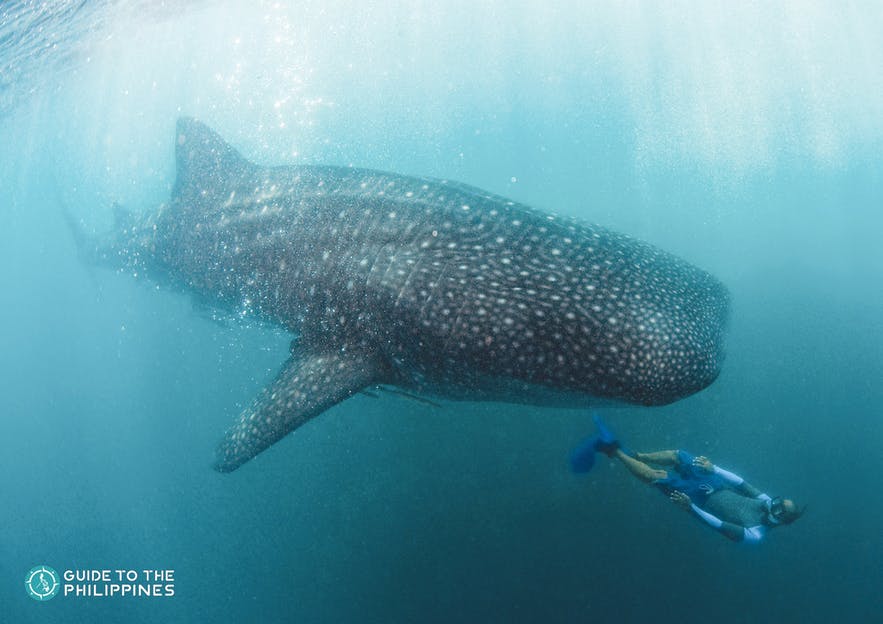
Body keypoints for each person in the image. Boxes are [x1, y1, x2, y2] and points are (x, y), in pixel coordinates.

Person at [571, 416, 803, 543]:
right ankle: (637, 455)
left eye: (779, 509)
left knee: (656, 477)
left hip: (699, 500)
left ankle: (612, 450)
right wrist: (713, 468)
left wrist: (690, 507)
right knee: (678, 456)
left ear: (782, 520)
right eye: (778, 501)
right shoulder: (766, 501)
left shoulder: (755, 534)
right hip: (716, 484)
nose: (773, 504)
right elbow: (740, 483)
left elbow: (716, 524)